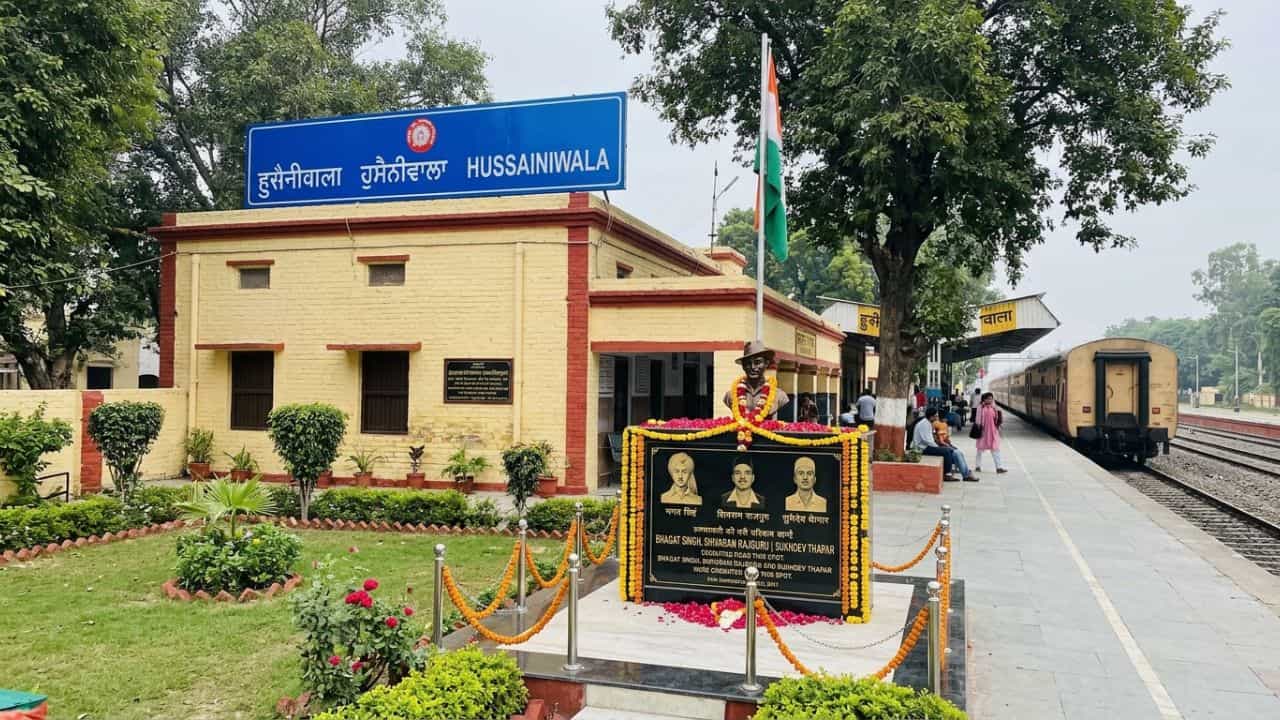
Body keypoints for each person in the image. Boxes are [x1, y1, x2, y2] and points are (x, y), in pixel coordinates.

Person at [723, 340, 790, 419]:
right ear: (743, 366)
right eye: (748, 363)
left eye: (757, 362)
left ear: (766, 364)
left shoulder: (779, 395)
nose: (753, 367)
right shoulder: (731, 395)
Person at [912, 407, 975, 482]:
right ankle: (947, 474)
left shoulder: (928, 423)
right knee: (947, 451)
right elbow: (928, 441)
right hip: (922, 448)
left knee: (956, 452)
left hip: (927, 446)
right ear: (931, 416)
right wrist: (939, 447)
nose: (937, 418)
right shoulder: (924, 424)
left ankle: (966, 474)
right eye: (936, 416)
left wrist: (942, 445)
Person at [974, 392, 1008, 474]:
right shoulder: (980, 407)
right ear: (984, 399)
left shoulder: (994, 407)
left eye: (991, 399)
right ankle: (978, 466)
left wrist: (998, 427)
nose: (990, 400)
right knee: (979, 450)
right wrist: (979, 429)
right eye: (988, 399)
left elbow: (997, 418)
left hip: (992, 432)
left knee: (995, 449)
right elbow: (977, 420)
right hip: (983, 432)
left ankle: (999, 468)